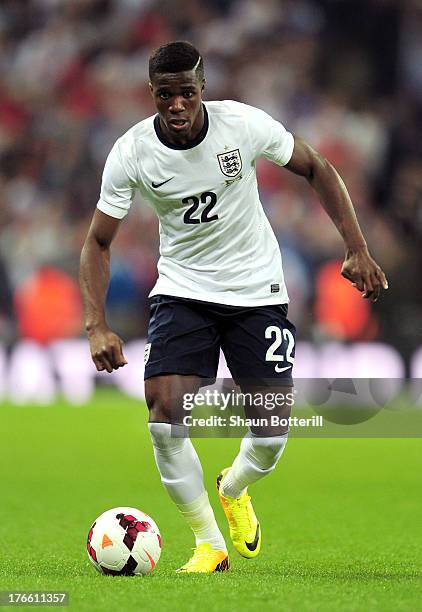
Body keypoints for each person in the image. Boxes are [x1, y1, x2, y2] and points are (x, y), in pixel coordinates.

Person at [79, 41, 388, 573]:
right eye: (165, 94)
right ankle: (208, 544)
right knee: (163, 415)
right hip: (183, 291)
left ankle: (234, 486)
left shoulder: (241, 125)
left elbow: (315, 166)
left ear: (203, 90)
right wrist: (96, 325)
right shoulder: (131, 153)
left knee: (269, 436)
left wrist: (356, 247)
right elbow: (98, 243)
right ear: (152, 93)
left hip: (258, 292)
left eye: (187, 93)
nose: (176, 105)